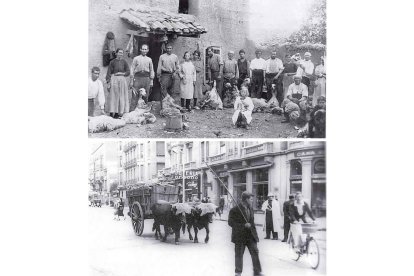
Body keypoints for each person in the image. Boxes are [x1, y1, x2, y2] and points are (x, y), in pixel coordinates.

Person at [228, 191, 264, 276]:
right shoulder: (235, 209)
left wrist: (256, 236)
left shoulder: (250, 208)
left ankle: (257, 272)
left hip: (250, 236)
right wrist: (243, 225)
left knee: (255, 252)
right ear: (246, 199)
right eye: (251, 199)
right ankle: (238, 273)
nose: (252, 200)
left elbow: (252, 223)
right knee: (239, 255)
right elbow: (230, 222)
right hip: (240, 236)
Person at [106, 48, 130, 118]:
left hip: (122, 80)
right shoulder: (112, 62)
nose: (120, 54)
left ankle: (118, 113)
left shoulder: (124, 62)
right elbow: (109, 73)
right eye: (119, 52)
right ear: (116, 53)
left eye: (122, 53)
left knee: (121, 96)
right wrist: (108, 82)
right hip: (114, 80)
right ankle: (111, 112)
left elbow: (128, 72)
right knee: (113, 96)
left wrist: (122, 73)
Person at [129, 44, 155, 109]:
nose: (144, 50)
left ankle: (144, 113)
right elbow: (132, 68)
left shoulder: (149, 59)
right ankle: (132, 112)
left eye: (145, 49)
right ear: (140, 50)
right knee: (135, 95)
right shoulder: (136, 58)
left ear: (148, 50)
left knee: (145, 96)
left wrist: (151, 81)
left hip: (146, 78)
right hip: (137, 78)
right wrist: (131, 80)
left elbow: (151, 70)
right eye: (143, 49)